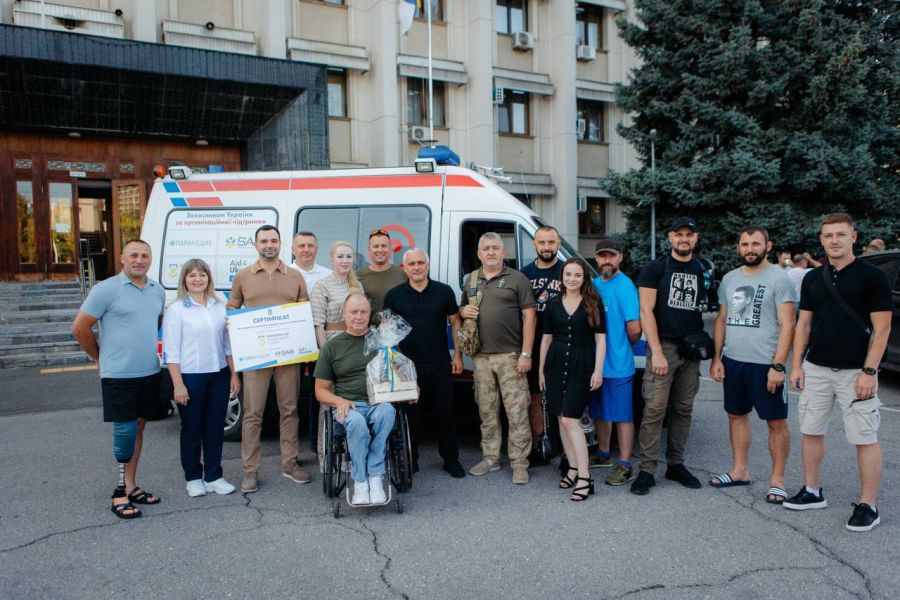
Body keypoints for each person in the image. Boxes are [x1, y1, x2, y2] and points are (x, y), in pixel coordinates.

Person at [787, 213, 892, 532]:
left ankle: (868, 505)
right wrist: (796, 365)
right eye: (828, 235)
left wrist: (869, 371)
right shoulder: (812, 278)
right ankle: (812, 491)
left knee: (864, 437)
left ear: (853, 237)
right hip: (816, 368)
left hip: (856, 372)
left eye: (840, 235)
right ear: (821, 240)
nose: (834, 240)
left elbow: (882, 328)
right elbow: (803, 325)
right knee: (811, 430)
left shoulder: (872, 276)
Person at [71, 240, 166, 519]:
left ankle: (131, 485)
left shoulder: (157, 290)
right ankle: (119, 493)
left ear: (150, 260)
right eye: (133, 255)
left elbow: (156, 324)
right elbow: (80, 328)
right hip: (119, 374)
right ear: (122, 258)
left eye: (144, 256)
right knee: (125, 431)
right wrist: (99, 357)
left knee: (139, 428)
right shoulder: (106, 289)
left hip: (149, 371)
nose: (139, 260)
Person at [709, 227, 796, 504]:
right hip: (734, 361)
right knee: (735, 415)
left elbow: (788, 325)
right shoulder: (730, 278)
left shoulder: (779, 279)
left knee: (775, 422)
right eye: (745, 244)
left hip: (766, 364)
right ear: (738, 247)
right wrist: (717, 358)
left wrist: (778, 365)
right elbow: (722, 319)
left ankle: (777, 480)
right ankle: (740, 470)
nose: (750, 249)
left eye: (755, 243)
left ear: (767, 246)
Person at [227, 224, 310, 493]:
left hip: (288, 355)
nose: (269, 245)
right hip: (256, 355)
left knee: (290, 410)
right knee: (253, 414)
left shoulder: (295, 276)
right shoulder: (243, 275)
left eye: (273, 240)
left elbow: (304, 312)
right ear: (256, 245)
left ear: (280, 243)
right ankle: (250, 470)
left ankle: (290, 464)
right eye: (264, 241)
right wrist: (233, 321)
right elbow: (232, 305)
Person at [631, 216, 709, 496]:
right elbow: (645, 311)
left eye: (689, 234)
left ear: (695, 238)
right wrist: (656, 351)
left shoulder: (702, 268)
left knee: (683, 409)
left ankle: (676, 464)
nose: (684, 239)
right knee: (654, 410)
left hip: (691, 350)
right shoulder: (655, 268)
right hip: (663, 348)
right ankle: (647, 470)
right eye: (679, 234)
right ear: (670, 237)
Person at [459, 232, 537, 484]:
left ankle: (520, 463)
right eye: (486, 249)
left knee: (517, 412)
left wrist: (526, 353)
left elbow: (530, 317)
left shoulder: (517, 279)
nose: (491, 252)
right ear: (479, 254)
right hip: (480, 358)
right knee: (487, 411)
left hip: (510, 356)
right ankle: (491, 457)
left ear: (504, 252)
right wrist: (463, 309)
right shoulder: (471, 279)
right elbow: (461, 311)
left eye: (495, 248)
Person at [383, 249, 466, 478]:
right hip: (407, 366)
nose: (417, 267)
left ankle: (451, 460)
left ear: (427, 265)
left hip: (439, 362)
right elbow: (387, 331)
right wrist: (394, 364)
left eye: (421, 263)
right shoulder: (394, 295)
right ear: (405, 267)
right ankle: (412, 459)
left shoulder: (444, 291)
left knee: (445, 412)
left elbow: (455, 323)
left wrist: (458, 356)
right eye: (412, 264)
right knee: (411, 415)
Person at [163, 259, 241, 497]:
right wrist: (178, 384)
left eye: (202, 275)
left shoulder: (219, 306)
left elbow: (227, 344)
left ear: (209, 278)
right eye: (192, 275)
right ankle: (193, 478)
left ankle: (214, 476)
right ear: (184, 280)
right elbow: (171, 351)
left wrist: (234, 374)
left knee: (215, 428)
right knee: (192, 429)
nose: (198, 279)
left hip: (218, 375)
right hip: (190, 377)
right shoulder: (177, 309)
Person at [315, 293, 396, 505]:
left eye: (363, 312)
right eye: (353, 312)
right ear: (344, 313)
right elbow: (320, 391)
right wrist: (339, 401)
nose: (358, 317)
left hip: (377, 403)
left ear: (370, 314)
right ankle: (360, 481)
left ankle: (375, 476)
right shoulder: (332, 347)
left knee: (388, 411)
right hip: (348, 406)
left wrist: (410, 390)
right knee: (357, 422)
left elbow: (400, 372)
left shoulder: (383, 342)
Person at [539, 259, 606, 501]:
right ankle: (573, 468)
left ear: (584, 278)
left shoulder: (593, 303)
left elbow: (600, 339)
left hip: (581, 366)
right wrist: (541, 371)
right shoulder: (553, 304)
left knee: (571, 419)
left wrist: (598, 370)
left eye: (577, 275)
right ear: (562, 277)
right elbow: (546, 338)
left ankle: (585, 478)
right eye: (568, 274)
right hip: (555, 365)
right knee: (560, 418)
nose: (572, 279)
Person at [590, 238, 641, 485]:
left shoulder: (625, 286)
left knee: (622, 416)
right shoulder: (593, 285)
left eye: (612, 256)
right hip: (596, 366)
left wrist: (624, 347)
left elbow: (634, 328)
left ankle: (626, 464)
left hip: (618, 365)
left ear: (620, 257)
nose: (607, 260)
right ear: (596, 259)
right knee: (600, 413)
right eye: (602, 256)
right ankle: (603, 453)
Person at [519, 225, 563, 467]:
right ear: (534, 244)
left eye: (551, 242)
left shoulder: (568, 271)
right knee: (535, 398)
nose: (547, 247)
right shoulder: (524, 274)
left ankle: (567, 452)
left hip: (562, 344)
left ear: (558, 244)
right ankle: (539, 447)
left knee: (564, 398)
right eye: (542, 242)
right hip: (534, 345)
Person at [288, 230, 332, 452]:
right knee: (290, 398)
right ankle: (292, 449)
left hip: (319, 343)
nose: (306, 250)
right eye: (301, 245)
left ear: (316, 249)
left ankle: (317, 442)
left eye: (310, 245)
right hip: (290, 345)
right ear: (292, 249)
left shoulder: (327, 275)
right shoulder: (284, 273)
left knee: (319, 394)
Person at [310, 240, 365, 348]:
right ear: (332, 259)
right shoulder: (321, 286)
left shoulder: (358, 285)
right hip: (333, 343)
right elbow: (318, 325)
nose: (345, 260)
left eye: (349, 256)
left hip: (356, 342)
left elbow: (363, 316)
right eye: (340, 256)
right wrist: (325, 351)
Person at [356, 228, 407, 316]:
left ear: (390, 248)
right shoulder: (357, 276)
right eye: (376, 246)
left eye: (384, 246)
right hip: (366, 325)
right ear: (369, 249)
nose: (380, 250)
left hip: (397, 325)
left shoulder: (403, 274)